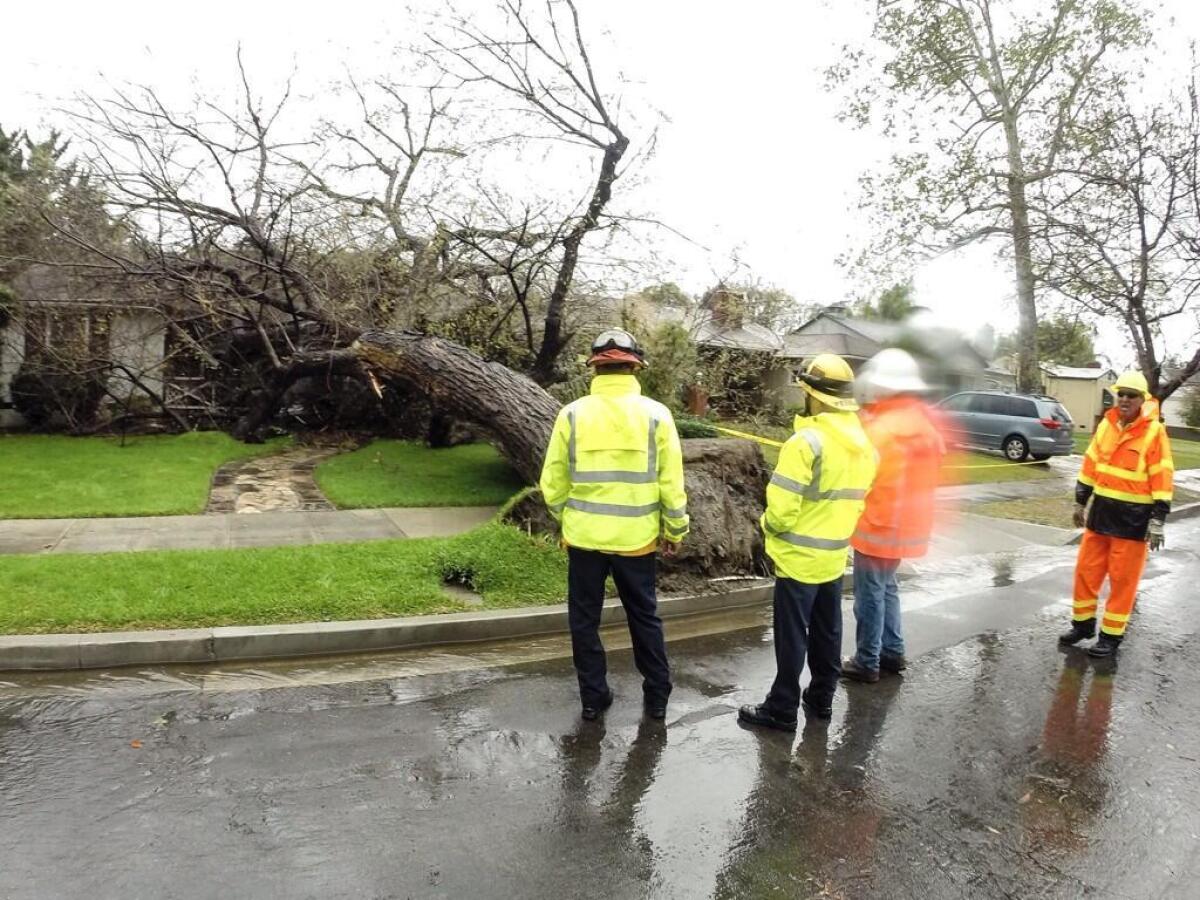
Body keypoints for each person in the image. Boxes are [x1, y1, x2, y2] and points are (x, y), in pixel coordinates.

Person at [540, 328, 689, 721]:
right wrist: (674, 529)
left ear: (595, 368)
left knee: (584, 620)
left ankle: (593, 697)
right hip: (636, 539)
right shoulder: (657, 415)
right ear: (634, 368)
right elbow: (671, 483)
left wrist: (565, 517)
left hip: (584, 538)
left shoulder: (571, 414)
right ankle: (657, 696)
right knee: (644, 616)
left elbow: (552, 483)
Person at [739, 354, 877, 732]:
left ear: (813, 395)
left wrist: (766, 523)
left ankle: (781, 708)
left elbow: (781, 510)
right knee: (828, 632)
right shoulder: (864, 445)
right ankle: (821, 699)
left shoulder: (806, 442)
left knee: (791, 637)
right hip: (833, 556)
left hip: (798, 559)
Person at [840, 349, 945, 683]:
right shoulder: (923, 426)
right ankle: (893, 651)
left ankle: (867, 660)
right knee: (887, 588)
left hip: (877, 524)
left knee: (869, 594)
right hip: (906, 527)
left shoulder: (881, 429)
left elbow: (861, 476)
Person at [1060, 370, 1174, 658]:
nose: (1124, 399)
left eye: (1131, 395)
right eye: (1120, 393)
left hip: (1133, 520)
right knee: (1086, 573)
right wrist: (1080, 501)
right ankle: (1083, 625)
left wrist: (1158, 519)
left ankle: (1111, 637)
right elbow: (1090, 464)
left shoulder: (1154, 431)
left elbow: (1162, 475)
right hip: (1100, 514)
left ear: (1142, 399)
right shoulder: (1106, 425)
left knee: (1123, 582)